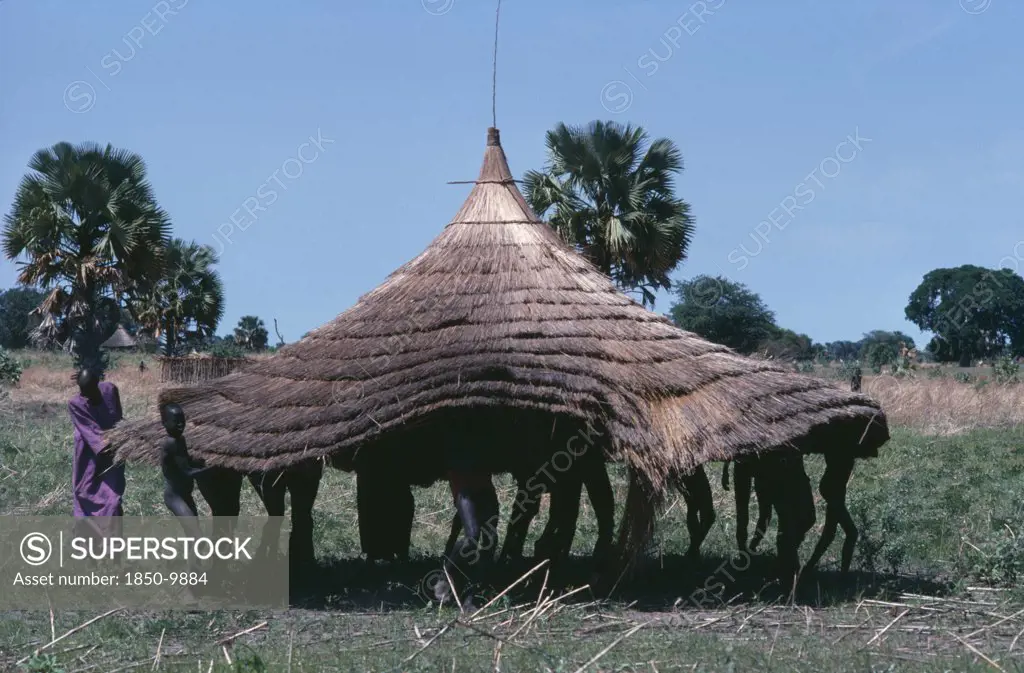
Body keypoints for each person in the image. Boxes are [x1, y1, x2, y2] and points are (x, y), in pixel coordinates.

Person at [435, 445, 499, 612]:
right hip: (462, 477)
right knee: (472, 537)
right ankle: (445, 576)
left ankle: (472, 596)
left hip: (483, 480)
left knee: (490, 540)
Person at [68, 368, 125, 517]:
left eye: (90, 389)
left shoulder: (110, 390)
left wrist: (123, 436)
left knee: (113, 498)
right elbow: (91, 432)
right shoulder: (76, 403)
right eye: (82, 390)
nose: (85, 394)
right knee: (85, 492)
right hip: (88, 452)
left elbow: (118, 418)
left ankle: (112, 537)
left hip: (113, 451)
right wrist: (114, 441)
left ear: (97, 383)